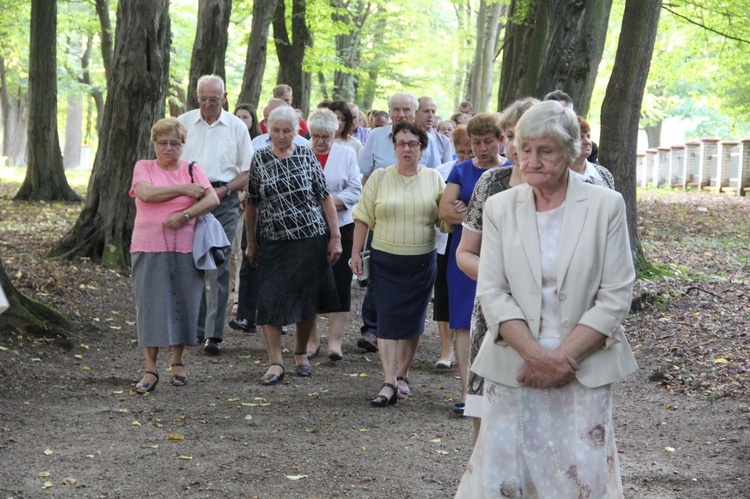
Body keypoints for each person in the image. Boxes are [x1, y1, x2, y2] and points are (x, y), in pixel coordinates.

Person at [455, 100, 637, 496]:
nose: (531, 160)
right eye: (525, 149)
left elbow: (617, 292)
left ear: (571, 151)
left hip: (583, 367)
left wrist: (562, 359)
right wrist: (537, 357)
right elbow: (493, 289)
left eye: (546, 150)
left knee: (577, 476)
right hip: (515, 363)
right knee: (509, 474)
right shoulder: (500, 205)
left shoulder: (606, 205)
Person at [350, 122, 446, 405]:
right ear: (393, 148)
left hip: (421, 262)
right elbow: (363, 216)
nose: (406, 148)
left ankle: (403, 374)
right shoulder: (379, 178)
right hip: (385, 261)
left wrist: (455, 214)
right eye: (401, 143)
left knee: (412, 321)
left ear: (423, 149)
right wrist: (355, 253)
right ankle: (388, 380)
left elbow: (443, 221)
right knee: (387, 320)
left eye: (412, 144)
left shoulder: (435, 179)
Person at [245, 106, 342, 385]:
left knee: (306, 299)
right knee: (270, 299)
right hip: (273, 239)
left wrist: (335, 236)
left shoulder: (306, 154)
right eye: (276, 130)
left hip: (310, 238)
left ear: (297, 131)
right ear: (268, 130)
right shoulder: (260, 158)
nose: (281, 135)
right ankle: (275, 361)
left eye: (287, 130)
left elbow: (324, 197)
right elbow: (252, 202)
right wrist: (251, 241)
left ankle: (301, 353)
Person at [455, 97, 537, 430]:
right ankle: (483, 481)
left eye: (526, 135)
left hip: (550, 317)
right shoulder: (491, 183)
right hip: (494, 313)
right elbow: (465, 253)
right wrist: (501, 279)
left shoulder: (574, 188)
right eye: (511, 135)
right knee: (486, 415)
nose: (518, 145)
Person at [129, 118, 220, 394]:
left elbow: (212, 199)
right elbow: (145, 194)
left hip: (185, 247)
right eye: (163, 143)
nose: (168, 148)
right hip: (148, 245)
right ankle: (150, 368)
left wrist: (185, 215)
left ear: (183, 145)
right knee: (150, 305)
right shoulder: (144, 167)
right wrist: (182, 190)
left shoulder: (193, 169)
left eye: (175, 143)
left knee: (183, 303)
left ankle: (178, 362)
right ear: (154, 143)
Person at [177, 74, 253, 355]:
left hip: (224, 200)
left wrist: (223, 192)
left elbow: (246, 171)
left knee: (220, 265)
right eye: (203, 98)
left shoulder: (235, 127)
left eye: (214, 98)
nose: (208, 104)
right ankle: (195, 329)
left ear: (224, 97)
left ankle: (214, 334)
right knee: (190, 264)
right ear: (196, 97)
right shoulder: (184, 122)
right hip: (189, 199)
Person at [438, 113, 507, 415]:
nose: (482, 148)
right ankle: (468, 391)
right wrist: (475, 221)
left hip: (502, 252)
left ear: (501, 140)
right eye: (476, 143)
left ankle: (499, 386)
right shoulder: (460, 170)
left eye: (488, 142)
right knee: (464, 321)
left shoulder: (512, 171)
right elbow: (443, 210)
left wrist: (466, 215)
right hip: (464, 252)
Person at [304, 109, 362, 360]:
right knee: (309, 282)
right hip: (307, 227)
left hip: (342, 225)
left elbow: (355, 190)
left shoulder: (347, 154)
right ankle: (311, 338)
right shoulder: (300, 152)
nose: (320, 141)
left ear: (335, 133)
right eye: (316, 136)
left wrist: (329, 202)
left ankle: (335, 342)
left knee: (340, 281)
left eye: (326, 136)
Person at [433, 125, 473, 370]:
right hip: (444, 241)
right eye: (461, 151)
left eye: (470, 151)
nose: (466, 156)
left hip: (469, 242)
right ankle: (447, 348)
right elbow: (444, 210)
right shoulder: (443, 171)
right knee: (444, 295)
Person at [228, 104, 263, 334]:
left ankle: (241, 298)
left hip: (247, 203)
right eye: (238, 116)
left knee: (243, 253)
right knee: (230, 252)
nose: (241, 120)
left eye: (245, 116)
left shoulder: (257, 144)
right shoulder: (230, 140)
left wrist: (243, 198)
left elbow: (250, 173)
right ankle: (232, 291)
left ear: (253, 120)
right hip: (230, 201)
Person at [571, 116, 615, 188]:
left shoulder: (604, 175)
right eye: (581, 137)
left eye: (588, 136)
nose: (587, 142)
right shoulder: (557, 176)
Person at [416, 96, 454, 167]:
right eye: (426, 111)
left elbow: (447, 170)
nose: (430, 115)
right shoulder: (405, 137)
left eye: (433, 112)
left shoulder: (444, 141)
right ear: (415, 112)